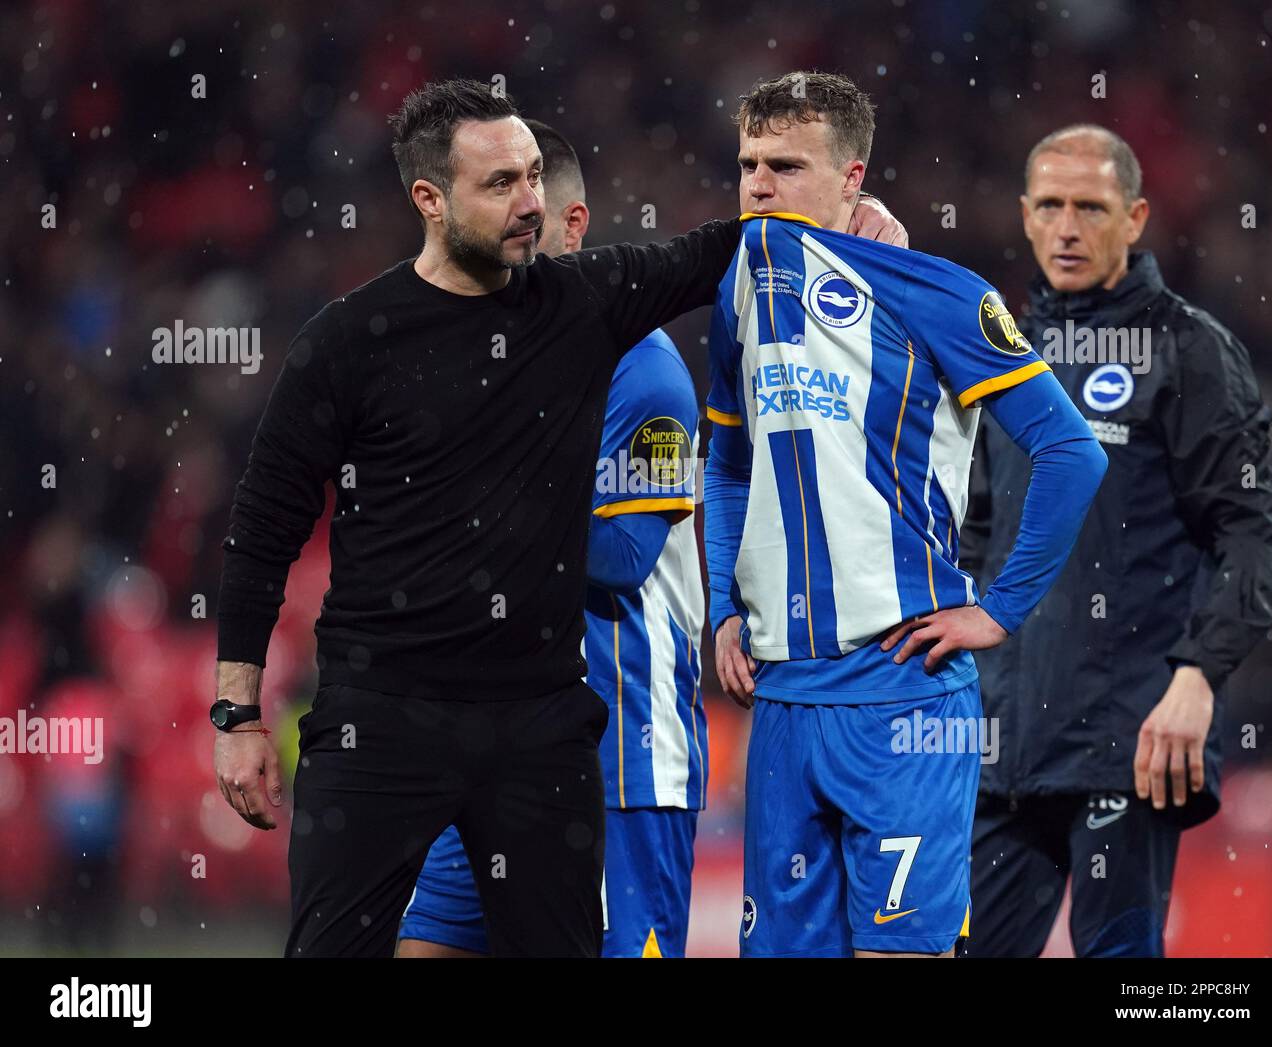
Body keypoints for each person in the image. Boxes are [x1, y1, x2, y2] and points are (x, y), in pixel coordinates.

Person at [210, 79, 746, 959]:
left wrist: (851, 211)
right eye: (501, 184)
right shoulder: (350, 341)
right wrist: (236, 717)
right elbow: (261, 531)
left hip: (536, 727)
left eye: (536, 178)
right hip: (382, 718)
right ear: (430, 199)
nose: (531, 203)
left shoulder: (582, 308)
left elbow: (714, 249)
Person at [704, 72, 1108, 958]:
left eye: (786, 165)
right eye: (747, 165)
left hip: (902, 692)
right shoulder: (739, 292)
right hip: (779, 699)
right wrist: (722, 607)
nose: (760, 185)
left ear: (853, 178)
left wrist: (999, 610)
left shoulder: (943, 292)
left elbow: (1072, 452)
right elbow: (729, 464)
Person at [960, 124, 1272, 958]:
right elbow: (977, 537)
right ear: (1025, 215)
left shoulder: (1188, 353)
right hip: (1003, 746)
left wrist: (1197, 676)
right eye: (1051, 206)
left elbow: (1254, 536)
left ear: (1136, 217)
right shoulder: (1006, 352)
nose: (1068, 227)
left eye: (1091, 207)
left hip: (1131, 742)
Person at [395, 120, 710, 959]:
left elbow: (621, 558)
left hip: (621, 755)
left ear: (572, 228)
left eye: (530, 223)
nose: (509, 244)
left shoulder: (648, 375)